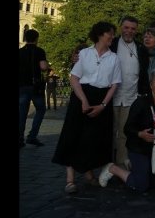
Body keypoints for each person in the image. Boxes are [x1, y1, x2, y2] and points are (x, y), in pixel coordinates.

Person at [52, 21, 122, 194]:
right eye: (110, 34)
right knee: (73, 135)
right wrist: (83, 100)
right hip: (82, 96)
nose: (112, 37)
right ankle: (70, 179)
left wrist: (103, 105)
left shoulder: (114, 58)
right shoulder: (84, 53)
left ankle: (89, 174)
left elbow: (114, 84)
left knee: (92, 139)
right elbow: (74, 78)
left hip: (101, 98)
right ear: (100, 34)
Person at [98, 69, 155, 192]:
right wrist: (140, 134)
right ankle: (113, 168)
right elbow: (127, 128)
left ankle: (133, 166)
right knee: (141, 185)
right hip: (138, 147)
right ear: (151, 84)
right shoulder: (141, 102)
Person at [110, 16, 150, 170]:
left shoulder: (141, 48)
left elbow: (143, 73)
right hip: (111, 97)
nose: (129, 31)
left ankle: (121, 163)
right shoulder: (111, 44)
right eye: (126, 28)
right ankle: (107, 162)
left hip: (131, 96)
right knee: (110, 131)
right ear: (121, 27)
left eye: (133, 29)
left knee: (125, 132)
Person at [19, 28, 49, 148]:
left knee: (22, 113)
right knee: (41, 110)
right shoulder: (39, 51)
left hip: (21, 86)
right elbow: (43, 67)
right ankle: (32, 136)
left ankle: (20, 139)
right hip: (35, 87)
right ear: (37, 39)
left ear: (25, 38)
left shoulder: (20, 52)